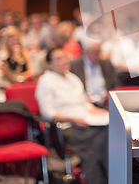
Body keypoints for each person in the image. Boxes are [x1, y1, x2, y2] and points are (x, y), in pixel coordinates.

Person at [35, 48, 109, 184]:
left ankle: (108, 176)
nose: (64, 61)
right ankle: (102, 178)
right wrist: (73, 119)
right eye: (58, 59)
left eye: (65, 57)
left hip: (85, 120)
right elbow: (48, 113)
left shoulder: (72, 78)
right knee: (103, 135)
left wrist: (98, 111)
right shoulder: (45, 81)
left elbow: (85, 104)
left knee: (109, 128)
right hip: (66, 126)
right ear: (49, 64)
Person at [70, 39, 120, 107]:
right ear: (85, 51)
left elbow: (116, 84)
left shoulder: (106, 64)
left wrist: (111, 97)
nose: (98, 55)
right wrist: (82, 97)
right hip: (85, 104)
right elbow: (72, 88)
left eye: (99, 52)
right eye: (95, 52)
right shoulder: (75, 65)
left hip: (105, 103)